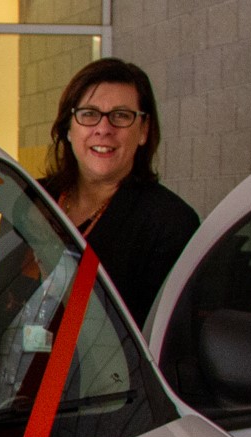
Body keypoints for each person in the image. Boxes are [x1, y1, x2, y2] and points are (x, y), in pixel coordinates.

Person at [41, 57, 200, 323]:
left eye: (121, 116)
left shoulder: (170, 223)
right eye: (89, 114)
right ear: (69, 128)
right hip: (15, 364)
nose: (103, 129)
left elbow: (155, 340)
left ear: (144, 131)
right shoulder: (29, 198)